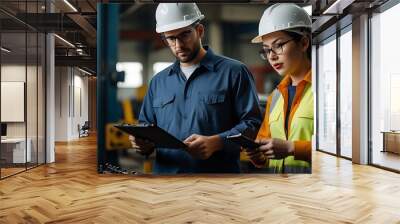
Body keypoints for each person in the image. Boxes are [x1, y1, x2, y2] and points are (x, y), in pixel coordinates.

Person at [130, 3, 262, 174]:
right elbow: (146, 129)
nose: (178, 45)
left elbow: (252, 124)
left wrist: (218, 142)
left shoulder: (234, 72)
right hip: (166, 183)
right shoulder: (158, 82)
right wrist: (142, 144)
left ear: (199, 31)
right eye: (170, 38)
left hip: (218, 182)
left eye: (184, 35)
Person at [245, 3, 313, 173]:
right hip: (279, 193)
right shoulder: (275, 97)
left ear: (303, 43)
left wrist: (292, 148)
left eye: (279, 45)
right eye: (267, 50)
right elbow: (266, 151)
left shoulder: (327, 91)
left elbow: (346, 151)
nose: (272, 56)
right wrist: (258, 155)